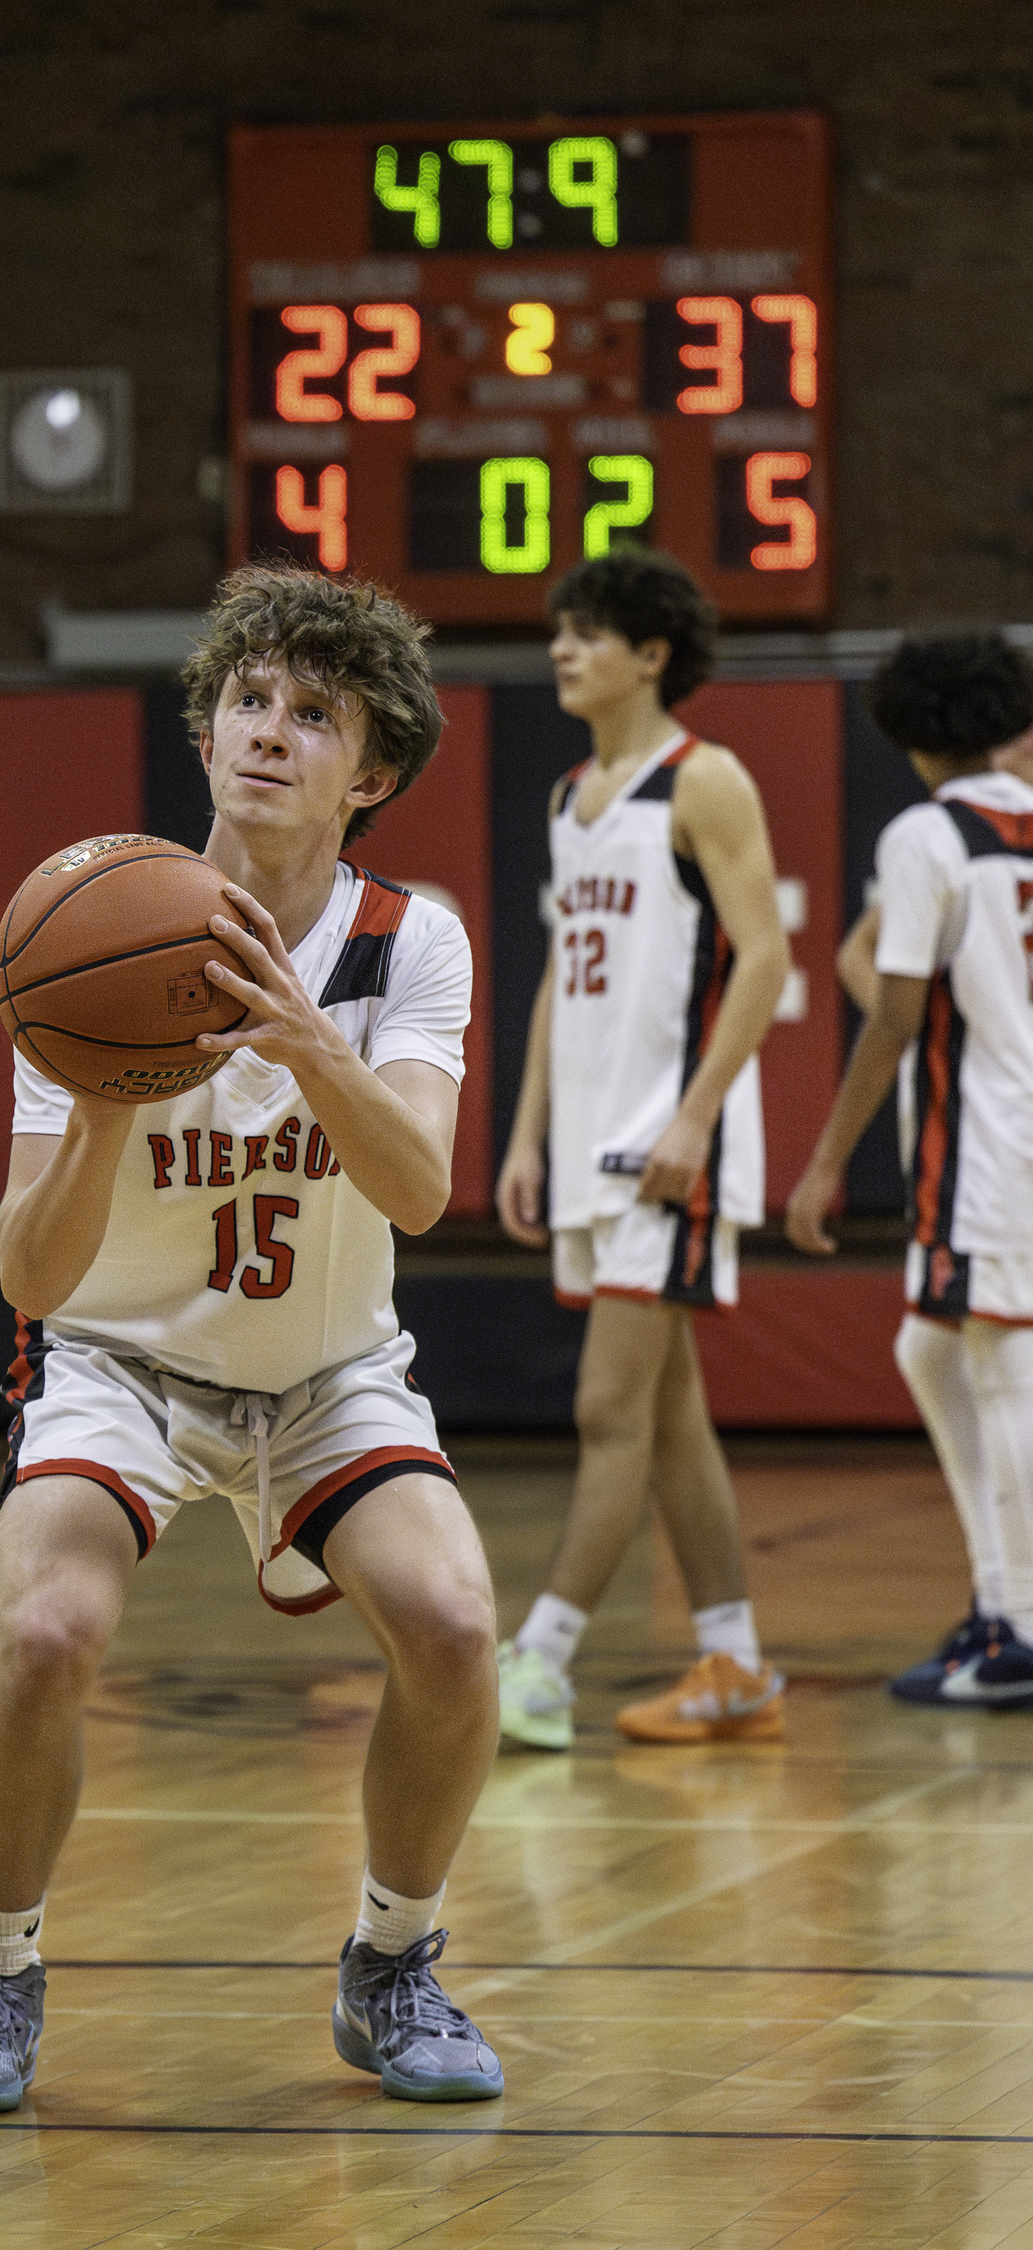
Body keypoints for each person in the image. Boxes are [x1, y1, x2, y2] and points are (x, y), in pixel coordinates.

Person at [0, 562, 504, 2113]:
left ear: (370, 773)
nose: (270, 731)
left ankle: (393, 1956)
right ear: (206, 726)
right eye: (248, 698)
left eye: (314, 713)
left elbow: (424, 1190)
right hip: (118, 1361)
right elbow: (32, 1272)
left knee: (449, 1623)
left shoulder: (407, 944)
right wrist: (105, 1104)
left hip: (326, 1369)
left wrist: (303, 1037)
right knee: (45, 1636)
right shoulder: (91, 927)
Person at [495, 550, 791, 1749]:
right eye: (559, 632)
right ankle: (735, 1664)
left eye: (587, 633)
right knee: (670, 1421)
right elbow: (564, 980)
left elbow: (765, 958)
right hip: (588, 1149)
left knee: (607, 1406)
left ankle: (538, 1660)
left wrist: (697, 1116)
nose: (563, 650)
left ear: (652, 652)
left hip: (669, 1147)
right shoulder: (570, 799)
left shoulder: (706, 781)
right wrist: (525, 1136)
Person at [788, 632, 1033, 1706]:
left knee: (1003, 1368)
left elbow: (889, 1011)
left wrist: (824, 1165)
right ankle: (1000, 1600)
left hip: (990, 1141)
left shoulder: (927, 833)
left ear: (910, 735)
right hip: (1009, 1130)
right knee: (928, 1348)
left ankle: (1020, 1630)